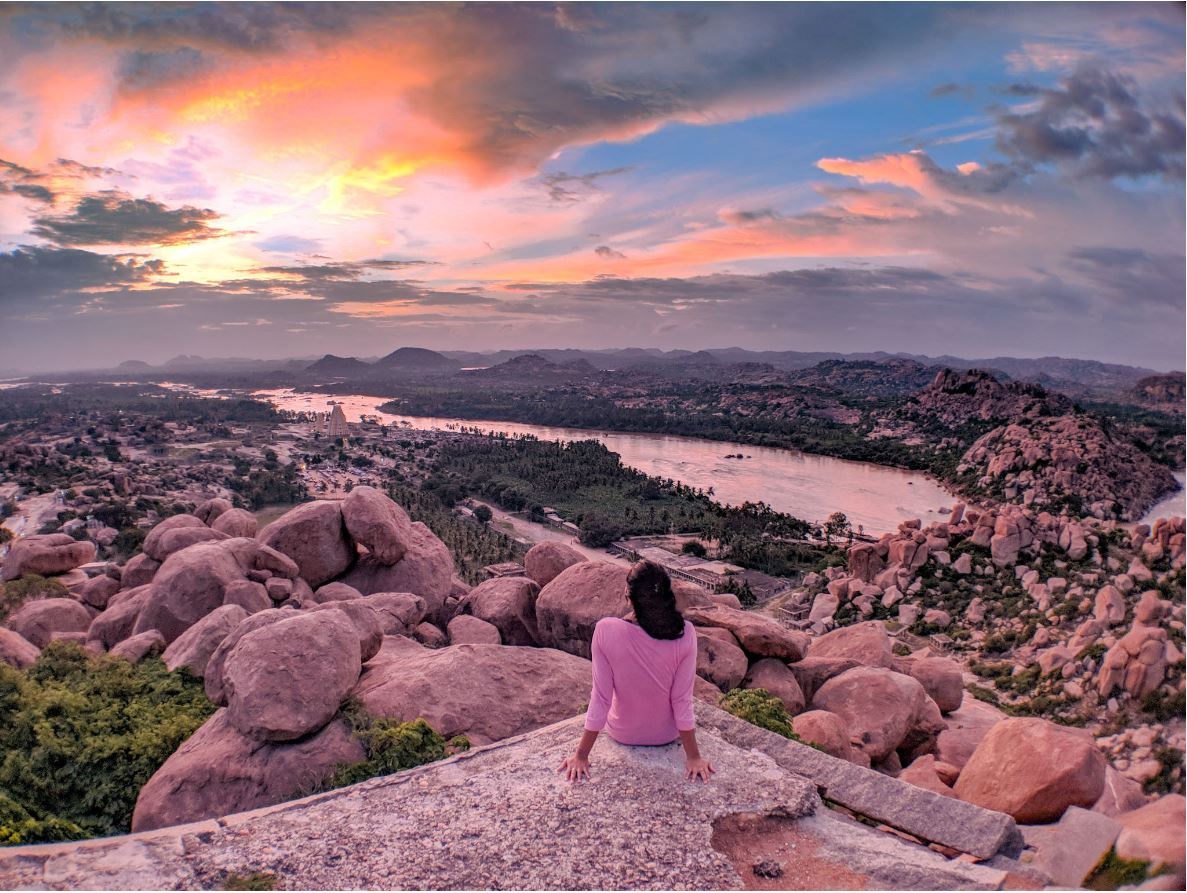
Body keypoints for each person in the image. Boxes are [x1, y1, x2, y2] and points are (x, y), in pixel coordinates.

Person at [558, 560, 715, 784]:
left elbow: (601, 698)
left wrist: (581, 755)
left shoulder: (606, 630)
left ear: (628, 597)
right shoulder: (685, 633)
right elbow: (681, 700)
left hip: (623, 733)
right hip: (667, 735)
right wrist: (694, 757)